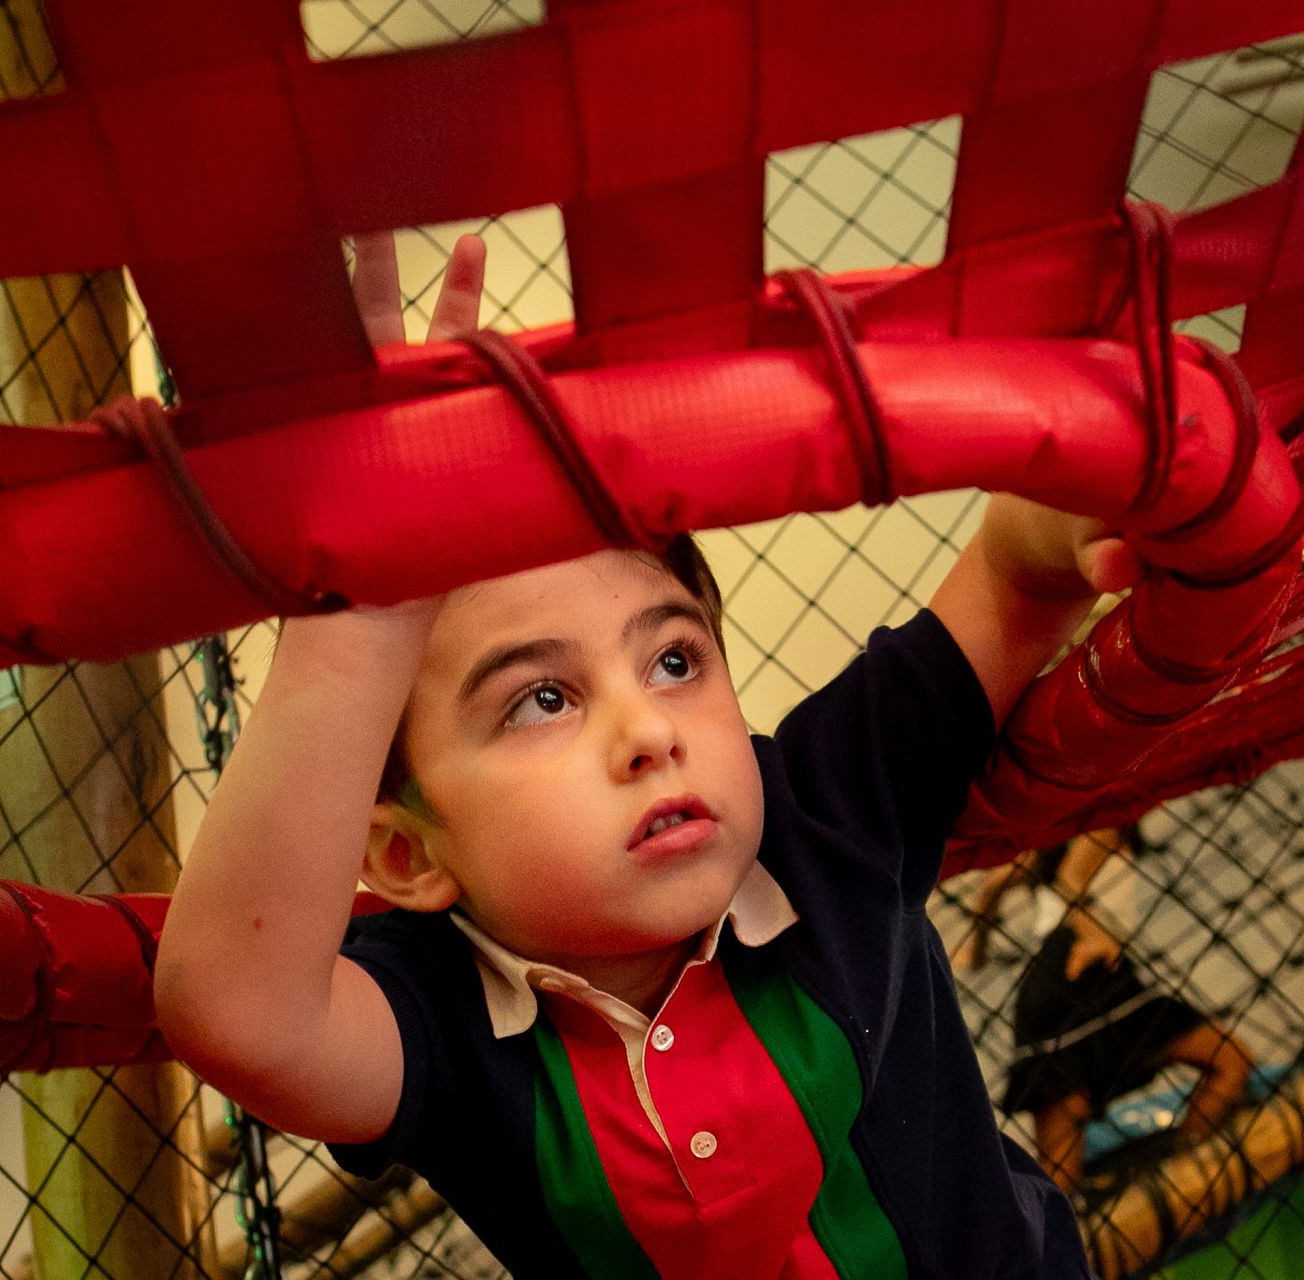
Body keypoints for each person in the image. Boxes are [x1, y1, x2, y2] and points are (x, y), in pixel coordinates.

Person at [154, 233, 1140, 1277]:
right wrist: (361, 613)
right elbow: (234, 1007)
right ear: (408, 859)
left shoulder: (825, 807)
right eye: (542, 698)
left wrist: (1074, 502)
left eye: (674, 659)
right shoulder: (437, 1021)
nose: (649, 731)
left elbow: (1012, 580)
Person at [990, 827, 1253, 1193]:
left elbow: (994, 885)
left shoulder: (1055, 839)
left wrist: (975, 944)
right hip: (1078, 968)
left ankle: (1180, 1181)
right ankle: (1182, 1179)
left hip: (1073, 975)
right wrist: (1094, 932)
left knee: (1228, 1060)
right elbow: (1069, 882)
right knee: (1229, 1059)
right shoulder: (1107, 814)